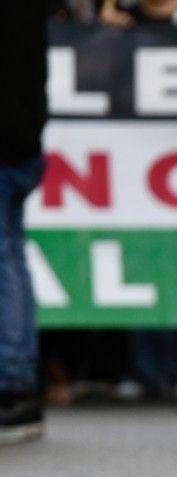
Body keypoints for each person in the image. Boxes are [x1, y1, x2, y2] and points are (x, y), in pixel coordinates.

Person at [0, 5, 50, 442]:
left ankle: (11, 386)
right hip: (22, 142)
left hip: (8, 140)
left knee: (4, 259)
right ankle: (18, 382)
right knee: (10, 256)